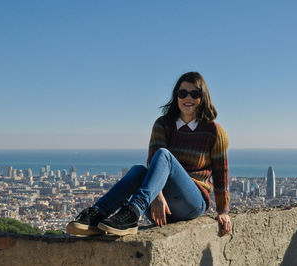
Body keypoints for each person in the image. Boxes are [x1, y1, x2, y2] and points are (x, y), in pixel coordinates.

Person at [66, 72, 231, 237]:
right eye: (182, 93)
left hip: (192, 203)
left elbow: (220, 174)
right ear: (176, 96)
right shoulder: (163, 125)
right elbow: (153, 164)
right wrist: (157, 196)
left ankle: (133, 212)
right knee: (139, 170)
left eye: (195, 94)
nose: (188, 98)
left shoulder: (214, 132)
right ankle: (97, 214)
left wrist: (223, 211)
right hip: (158, 206)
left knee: (164, 155)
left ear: (203, 97)